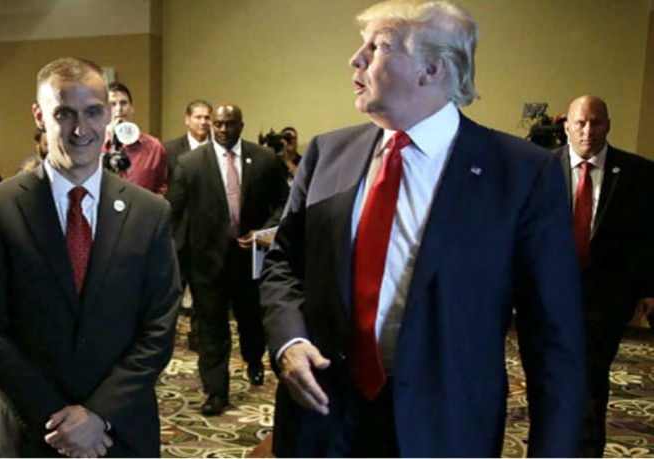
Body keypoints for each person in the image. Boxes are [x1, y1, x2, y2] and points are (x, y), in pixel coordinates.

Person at [258, 1, 586, 456]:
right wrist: (289, 341)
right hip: (322, 420)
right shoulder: (327, 153)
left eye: (378, 47)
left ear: (433, 68)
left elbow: (553, 338)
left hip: (444, 429)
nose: (355, 59)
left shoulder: (520, 174)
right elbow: (283, 264)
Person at [0, 57, 181, 458]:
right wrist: (58, 419)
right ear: (39, 115)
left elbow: (159, 326)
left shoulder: (150, 213)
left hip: (118, 432)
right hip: (30, 432)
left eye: (92, 111)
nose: (81, 128)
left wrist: (99, 415)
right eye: (64, 113)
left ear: (109, 114)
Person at [169, 103, 288, 416]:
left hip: (250, 261)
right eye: (218, 124)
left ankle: (253, 359)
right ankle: (216, 391)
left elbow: (283, 203)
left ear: (241, 126)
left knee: (251, 322)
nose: (223, 130)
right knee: (211, 330)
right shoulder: (190, 163)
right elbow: (175, 212)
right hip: (206, 263)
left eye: (229, 124)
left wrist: (264, 231)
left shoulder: (264, 159)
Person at [556, 95, 654, 457]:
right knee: (552, 379)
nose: (588, 131)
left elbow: (649, 236)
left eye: (596, 122)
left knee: (588, 380)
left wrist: (648, 288)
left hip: (604, 299)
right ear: (567, 126)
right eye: (580, 123)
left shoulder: (639, 173)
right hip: (550, 297)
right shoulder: (542, 169)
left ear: (608, 126)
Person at [163, 99, 213, 351]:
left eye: (207, 117)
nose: (203, 122)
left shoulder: (219, 149)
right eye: (198, 117)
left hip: (209, 233)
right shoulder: (169, 150)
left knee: (205, 293)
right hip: (178, 232)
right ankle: (164, 337)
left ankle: (199, 337)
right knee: (171, 289)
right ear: (187, 120)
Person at [103, 82, 168, 195]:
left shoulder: (154, 147)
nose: (119, 109)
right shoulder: (92, 145)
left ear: (132, 107)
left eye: (123, 103)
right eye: (112, 104)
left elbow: (160, 189)